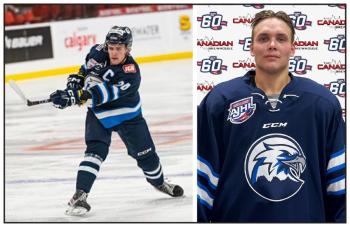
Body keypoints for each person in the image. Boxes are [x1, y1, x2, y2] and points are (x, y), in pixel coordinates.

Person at [197, 10, 345, 222]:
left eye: (281, 39)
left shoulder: (322, 103)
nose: (272, 45)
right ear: (251, 47)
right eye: (263, 38)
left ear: (292, 48)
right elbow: (202, 184)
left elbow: (340, 186)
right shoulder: (220, 101)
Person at [50, 26, 184, 216]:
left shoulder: (131, 72)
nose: (114, 52)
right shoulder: (97, 52)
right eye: (111, 47)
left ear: (128, 49)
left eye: (118, 48)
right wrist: (73, 85)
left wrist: (75, 96)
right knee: (95, 152)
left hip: (128, 117)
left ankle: (159, 182)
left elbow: (103, 94)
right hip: (99, 115)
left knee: (147, 158)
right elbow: (84, 72)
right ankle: (80, 195)